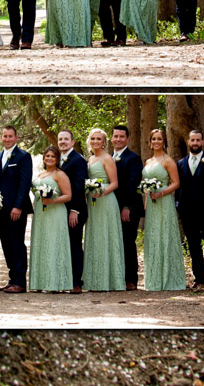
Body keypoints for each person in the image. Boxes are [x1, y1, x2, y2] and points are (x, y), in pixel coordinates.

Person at [175, 130, 204, 287]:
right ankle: (199, 280)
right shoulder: (180, 163)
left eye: (198, 140)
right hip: (188, 213)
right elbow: (178, 189)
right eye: (192, 140)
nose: (195, 143)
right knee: (194, 247)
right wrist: (179, 207)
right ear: (188, 142)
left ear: (202, 142)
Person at [141, 129, 186, 291]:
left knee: (165, 235)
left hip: (164, 201)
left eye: (159, 139)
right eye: (154, 139)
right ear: (150, 141)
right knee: (153, 237)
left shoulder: (168, 161)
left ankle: (169, 277)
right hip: (152, 205)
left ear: (164, 141)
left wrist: (161, 193)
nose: (156, 141)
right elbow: (145, 185)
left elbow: (176, 183)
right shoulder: (148, 162)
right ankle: (154, 278)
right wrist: (146, 205)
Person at [82, 129, 126, 292]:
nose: (95, 141)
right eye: (93, 138)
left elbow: (114, 183)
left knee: (107, 236)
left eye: (98, 139)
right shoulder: (91, 158)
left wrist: (101, 192)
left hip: (106, 201)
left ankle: (110, 280)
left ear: (104, 141)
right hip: (93, 204)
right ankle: (94, 280)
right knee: (95, 237)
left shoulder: (107, 159)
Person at [0, 125, 33, 292]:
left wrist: (18, 206)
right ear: (1, 138)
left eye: (10, 136)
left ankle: (20, 282)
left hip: (16, 209)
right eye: (5, 136)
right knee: (6, 243)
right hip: (0, 209)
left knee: (17, 243)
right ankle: (12, 278)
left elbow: (24, 183)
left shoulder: (23, 156)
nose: (7, 139)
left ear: (16, 138)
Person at [28, 145, 74, 293]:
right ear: (43, 158)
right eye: (47, 156)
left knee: (54, 244)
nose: (49, 158)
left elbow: (68, 195)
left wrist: (52, 201)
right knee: (42, 244)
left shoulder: (60, 174)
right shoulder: (40, 175)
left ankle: (55, 283)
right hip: (41, 214)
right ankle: (40, 282)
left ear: (57, 159)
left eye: (52, 156)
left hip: (55, 213)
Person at [111, 125, 144, 291]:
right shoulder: (108, 157)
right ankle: (117, 277)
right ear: (111, 138)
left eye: (121, 136)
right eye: (115, 136)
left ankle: (131, 279)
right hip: (110, 207)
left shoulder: (133, 158)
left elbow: (133, 184)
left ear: (127, 139)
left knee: (128, 242)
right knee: (115, 242)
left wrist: (127, 207)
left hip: (129, 208)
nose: (118, 139)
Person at [57, 130, 88, 293]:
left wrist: (75, 210)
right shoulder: (58, 160)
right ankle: (65, 279)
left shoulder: (78, 160)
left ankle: (77, 282)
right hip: (61, 210)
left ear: (72, 142)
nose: (63, 142)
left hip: (74, 210)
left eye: (66, 139)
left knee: (75, 244)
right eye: (60, 139)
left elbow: (79, 186)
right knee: (64, 244)